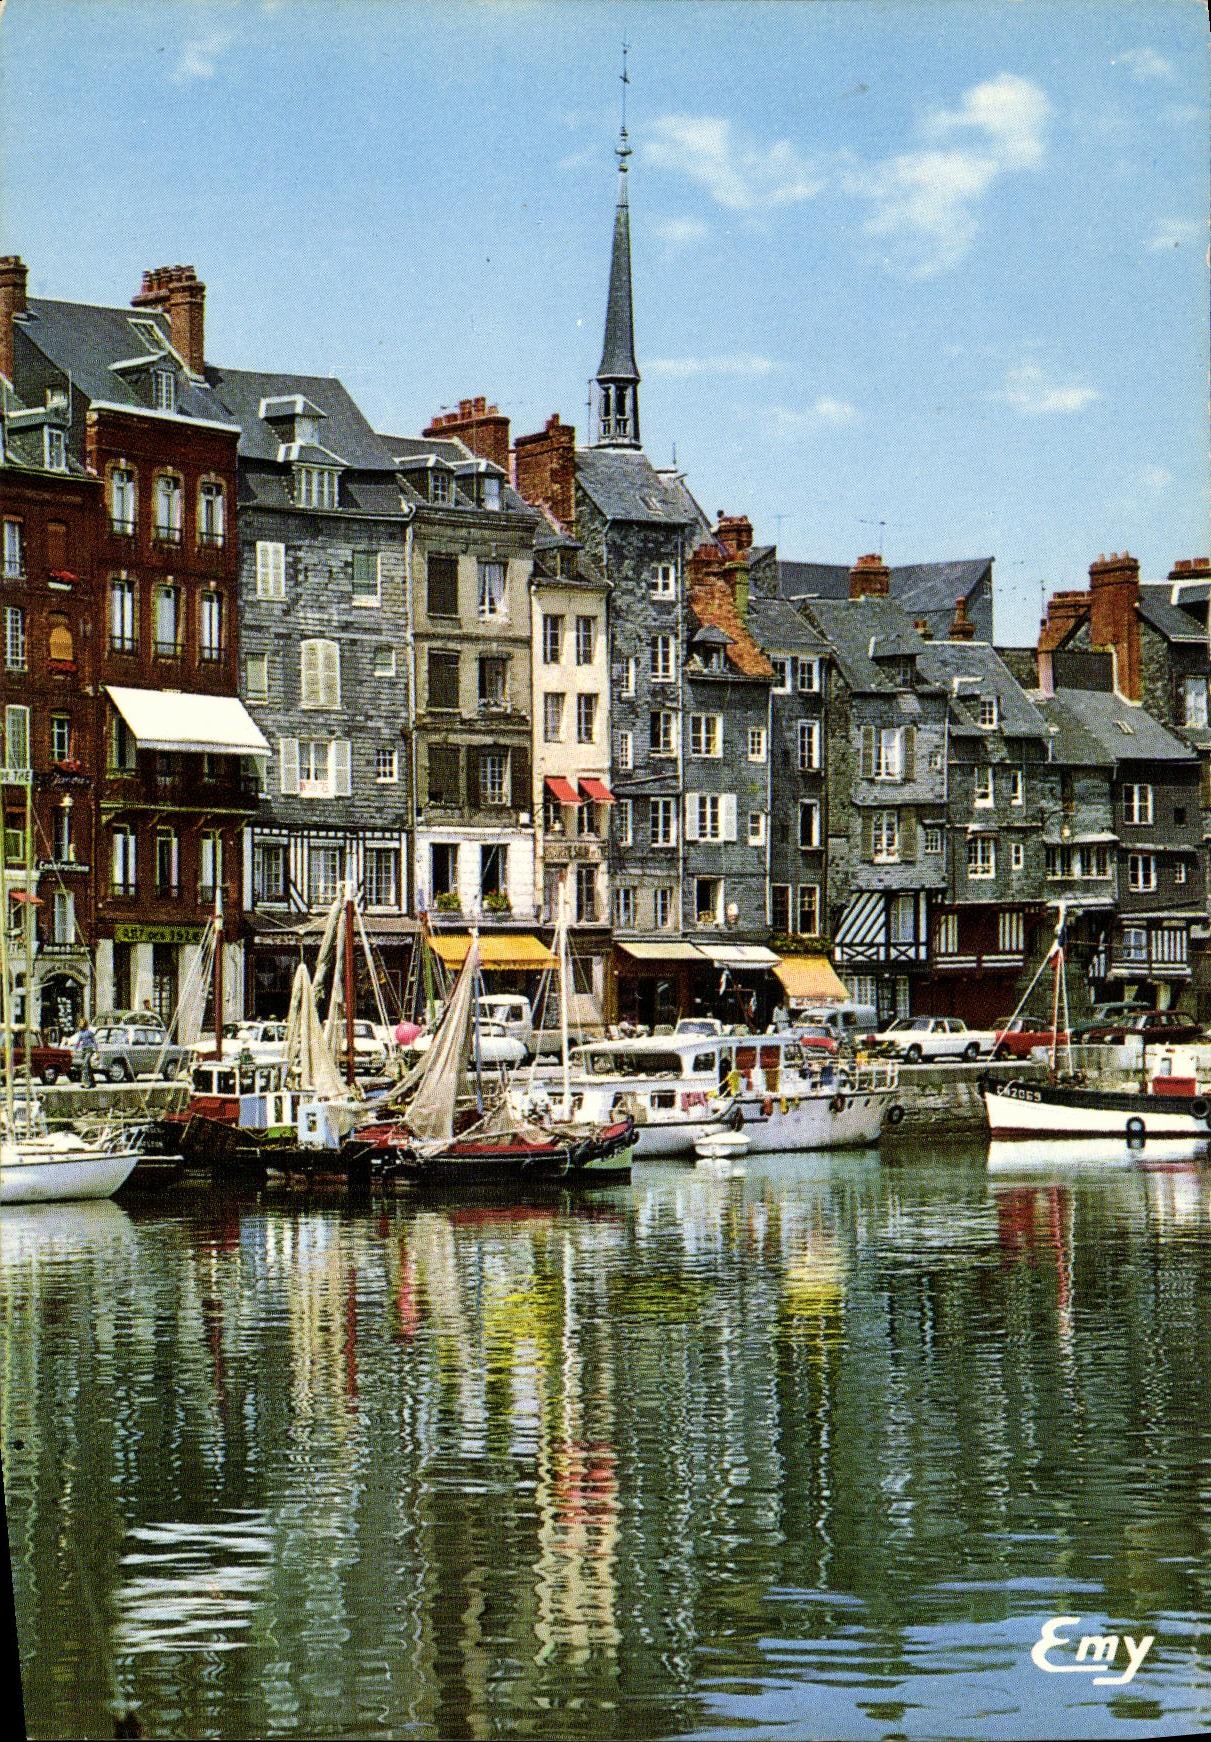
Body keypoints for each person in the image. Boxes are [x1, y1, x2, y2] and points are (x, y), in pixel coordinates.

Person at [77, 1018, 98, 1088]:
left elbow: (94, 1042)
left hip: (89, 1050)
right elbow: (78, 1041)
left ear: (85, 1024)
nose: (80, 1024)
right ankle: (93, 1082)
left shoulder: (89, 1032)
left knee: (85, 1065)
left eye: (82, 1023)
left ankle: (86, 1083)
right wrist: (75, 1049)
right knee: (88, 1067)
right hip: (84, 1050)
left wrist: (97, 1052)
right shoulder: (80, 1033)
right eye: (80, 1023)